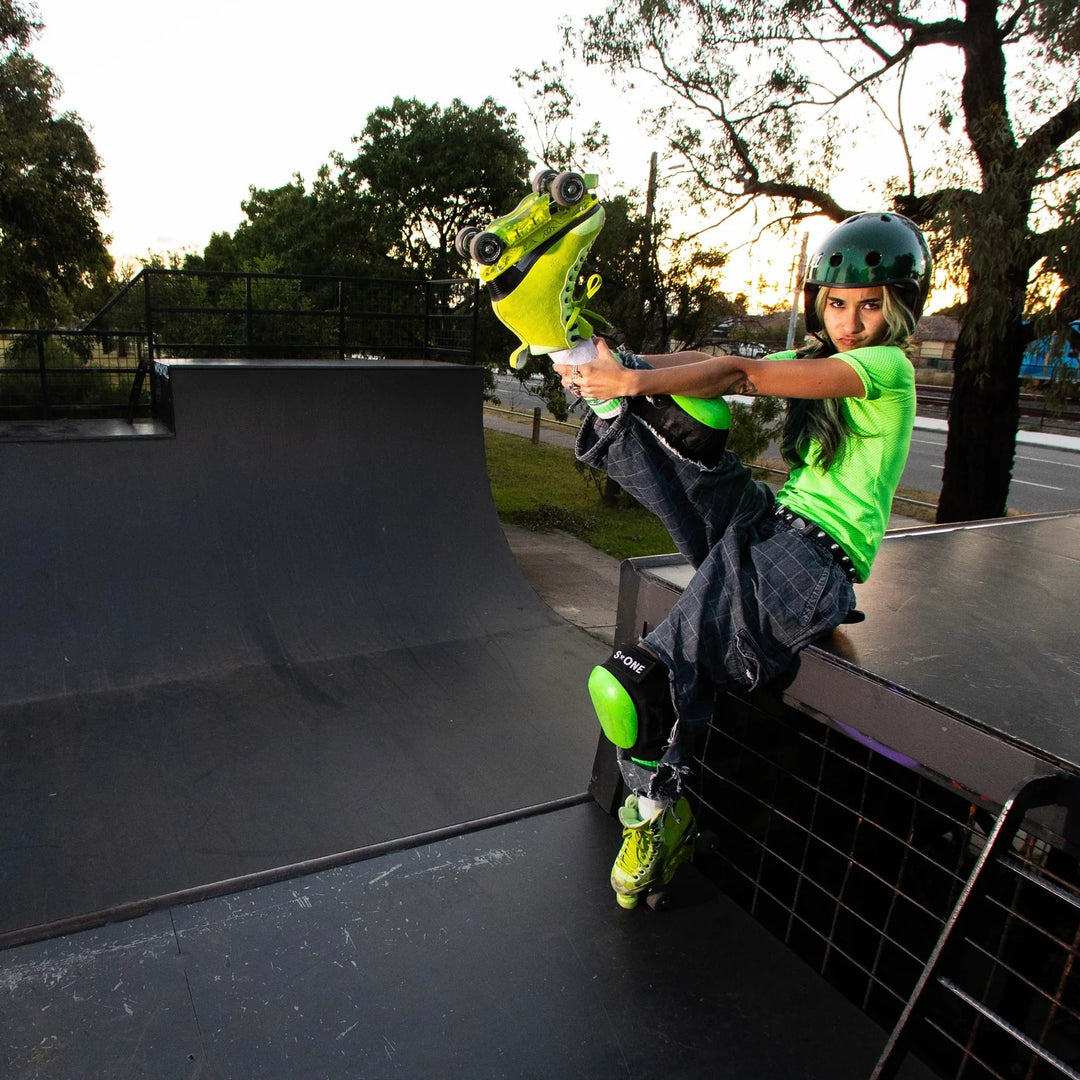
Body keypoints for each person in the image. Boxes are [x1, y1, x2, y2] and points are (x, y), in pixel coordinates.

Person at [552, 211, 933, 908]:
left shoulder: (886, 368)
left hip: (813, 560)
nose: (850, 322)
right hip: (772, 521)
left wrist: (628, 381)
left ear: (901, 307)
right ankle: (605, 413)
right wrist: (615, 370)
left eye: (870, 306)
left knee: (630, 684)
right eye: (837, 303)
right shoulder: (828, 355)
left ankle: (662, 814)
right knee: (690, 421)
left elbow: (743, 372)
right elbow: (705, 369)